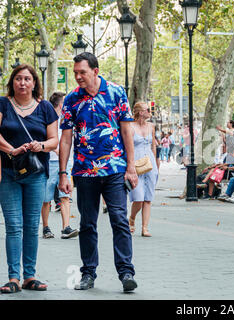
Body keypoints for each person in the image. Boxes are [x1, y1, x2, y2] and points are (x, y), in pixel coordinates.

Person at [58, 52, 138, 292]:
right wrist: (63, 173)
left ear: (95, 70)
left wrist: (131, 167)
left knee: (119, 220)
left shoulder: (116, 92)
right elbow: (65, 139)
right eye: (75, 73)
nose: (78, 77)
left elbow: (126, 132)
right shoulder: (72, 99)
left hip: (114, 169)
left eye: (82, 72)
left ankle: (126, 273)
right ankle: (88, 273)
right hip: (83, 171)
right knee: (88, 224)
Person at [0, 64, 58, 293]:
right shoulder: (3, 104)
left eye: (27, 79)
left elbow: (54, 140)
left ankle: (29, 276)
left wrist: (40, 145)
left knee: (32, 225)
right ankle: (13, 277)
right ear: (12, 82)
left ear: (34, 83)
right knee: (14, 226)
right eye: (18, 79)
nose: (22, 83)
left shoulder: (45, 108)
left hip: (35, 174)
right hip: (8, 173)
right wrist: (11, 150)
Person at [40, 92, 78, 240]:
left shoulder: (68, 121)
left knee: (65, 196)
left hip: (66, 163)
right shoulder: (47, 120)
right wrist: (58, 149)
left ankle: (66, 228)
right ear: (61, 104)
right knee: (46, 198)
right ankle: (46, 227)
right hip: (49, 162)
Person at [128, 101, 158, 237]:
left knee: (148, 198)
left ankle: (145, 227)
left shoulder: (151, 126)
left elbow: (153, 146)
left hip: (150, 164)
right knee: (138, 198)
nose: (150, 112)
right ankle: (132, 218)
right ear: (140, 112)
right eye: (148, 110)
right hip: (136, 164)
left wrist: (156, 164)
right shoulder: (130, 126)